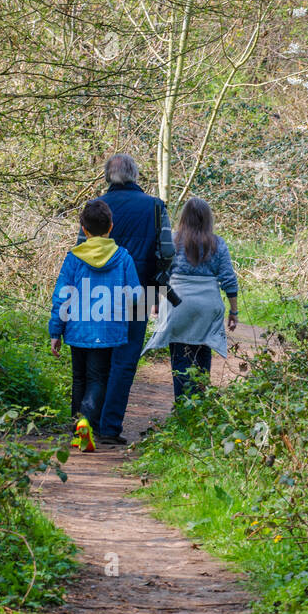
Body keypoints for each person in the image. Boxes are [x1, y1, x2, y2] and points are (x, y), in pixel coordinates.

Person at [77, 154, 173, 444]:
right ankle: (110, 428)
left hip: (97, 293)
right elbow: (167, 252)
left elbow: (82, 250)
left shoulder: (94, 208)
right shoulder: (156, 208)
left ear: (107, 176)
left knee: (99, 357)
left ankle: (87, 423)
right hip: (141, 292)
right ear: (135, 175)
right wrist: (160, 288)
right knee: (125, 359)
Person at [49, 198, 141, 452]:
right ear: (111, 226)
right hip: (108, 329)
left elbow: (62, 296)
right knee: (99, 378)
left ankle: (79, 427)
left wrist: (56, 330)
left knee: (79, 378)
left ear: (84, 229)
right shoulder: (123, 258)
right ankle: (86, 423)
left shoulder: (74, 258)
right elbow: (135, 296)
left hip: (77, 330)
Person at [142, 196, 239, 399]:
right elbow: (228, 279)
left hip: (177, 302)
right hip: (208, 305)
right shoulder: (217, 244)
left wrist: (157, 304)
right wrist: (233, 311)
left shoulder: (174, 241)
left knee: (179, 354)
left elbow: (160, 273)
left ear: (184, 217)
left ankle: (182, 407)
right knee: (203, 352)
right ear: (208, 219)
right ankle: (200, 406)